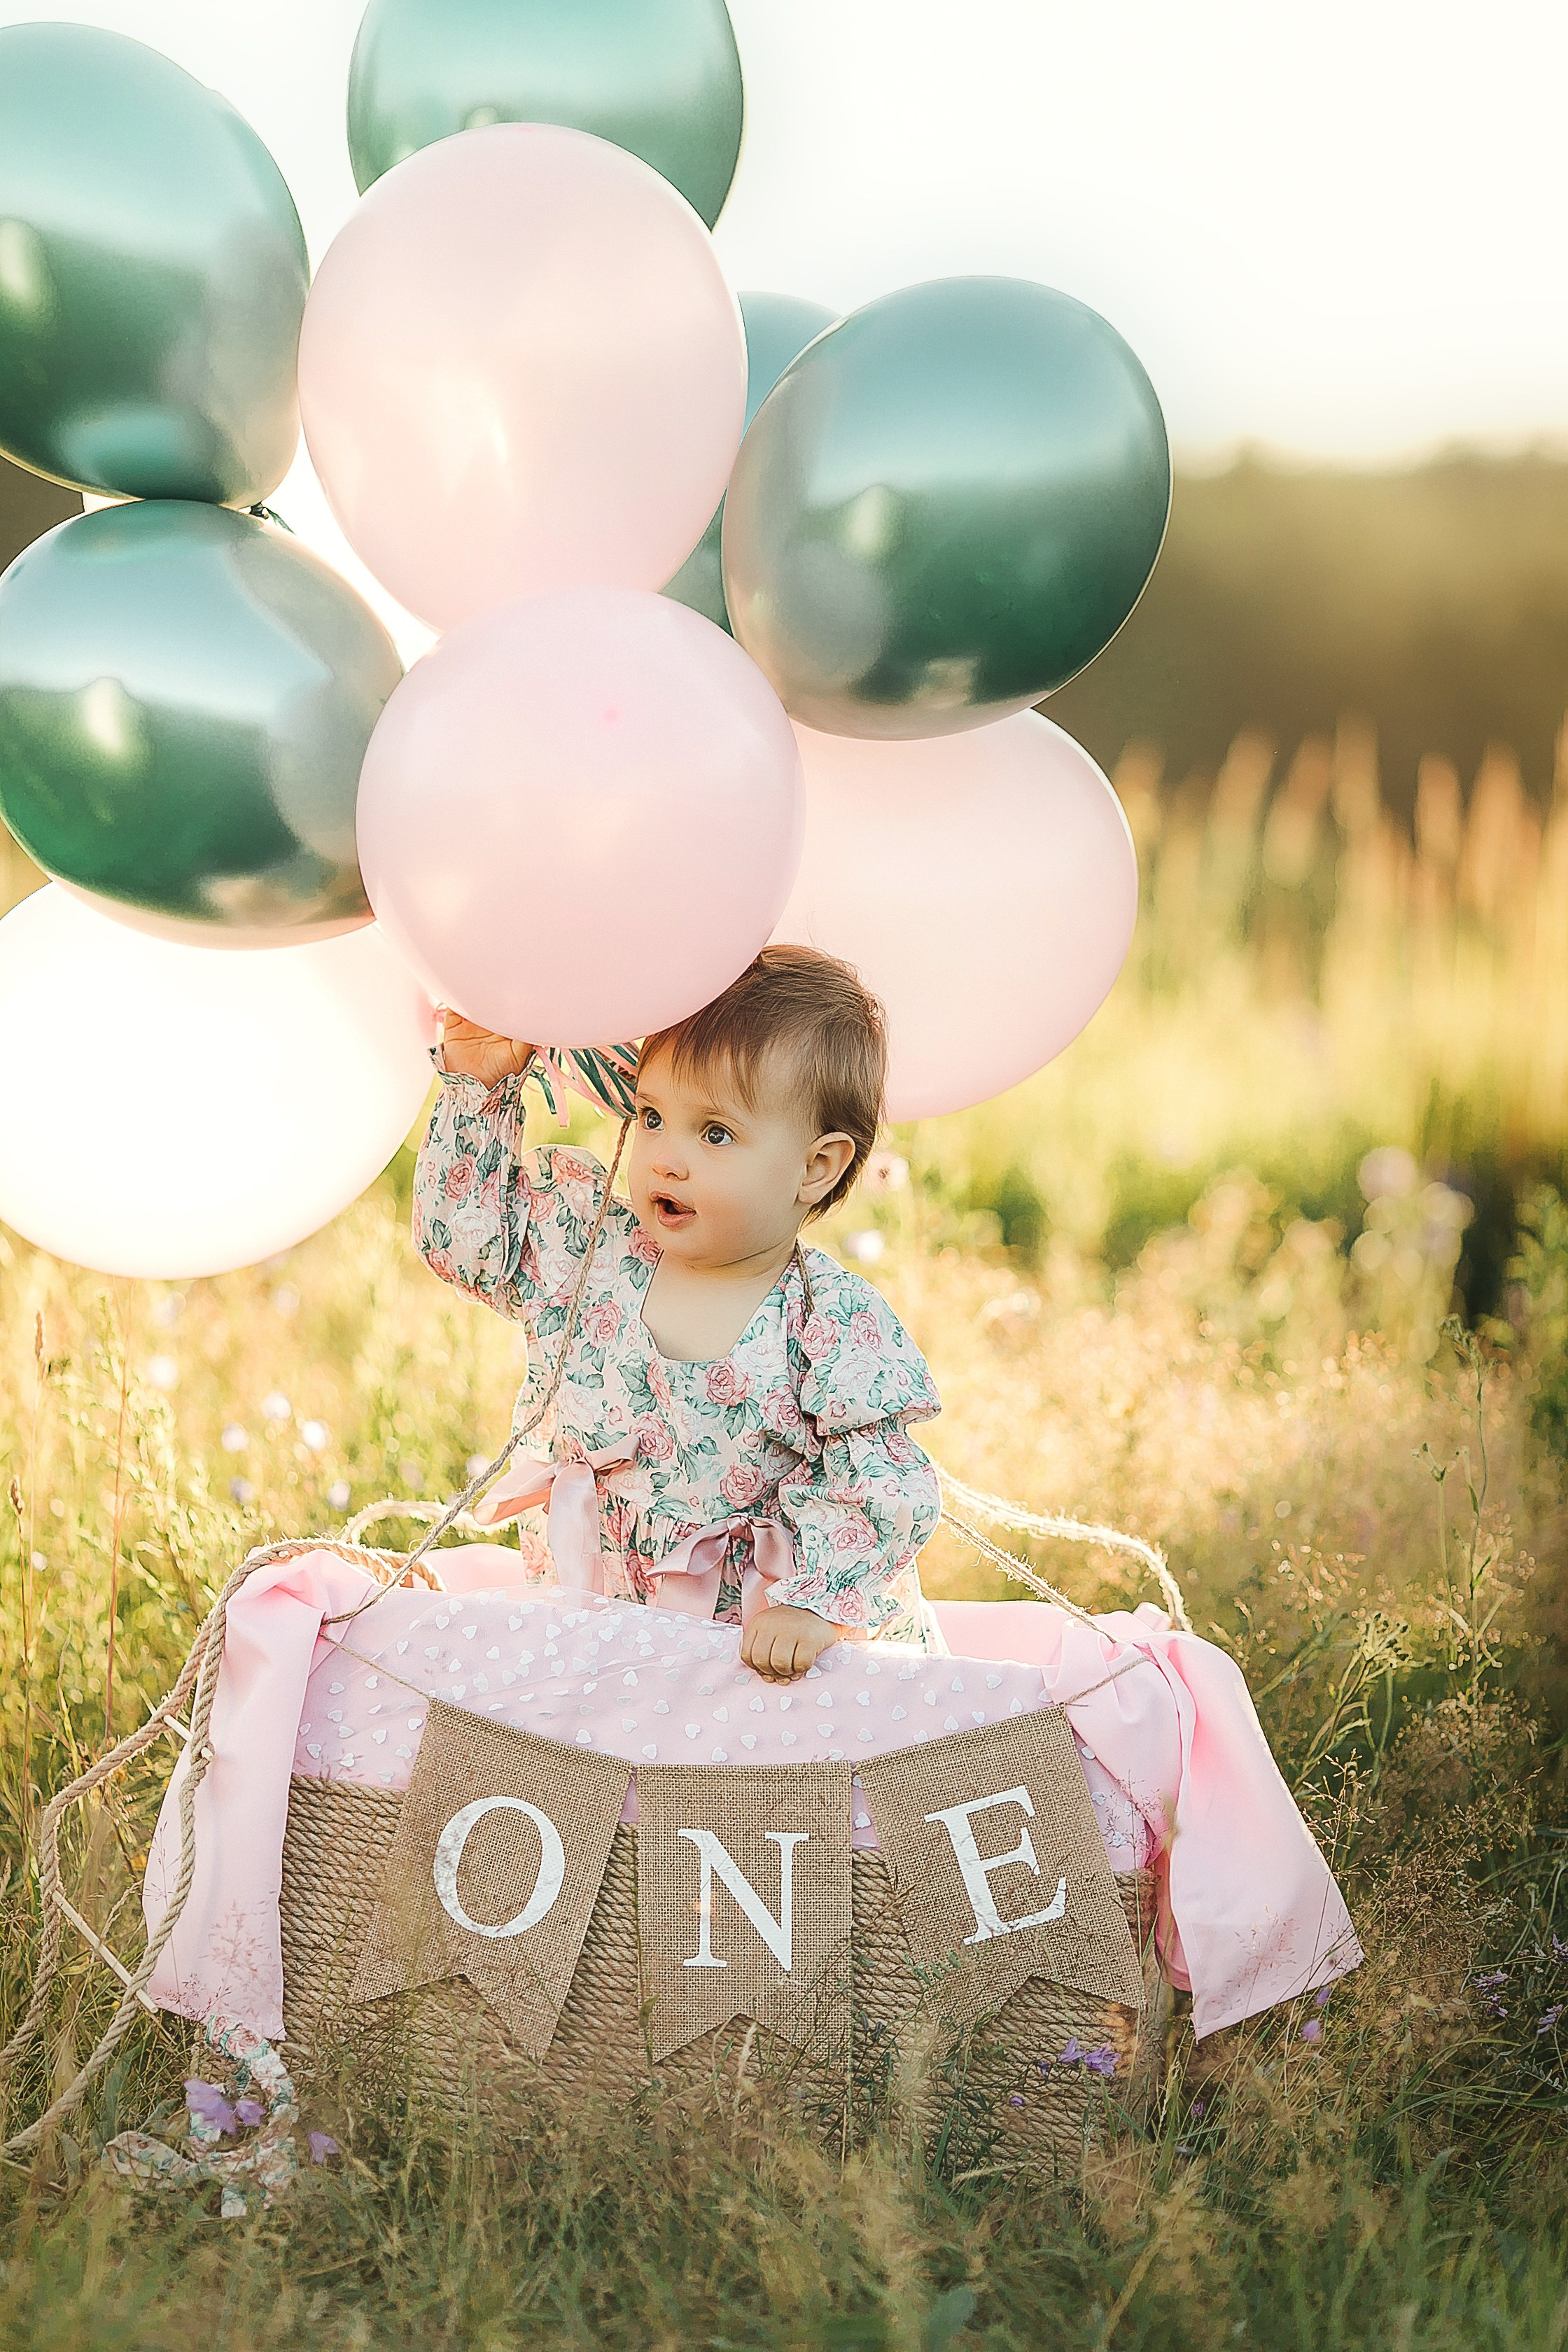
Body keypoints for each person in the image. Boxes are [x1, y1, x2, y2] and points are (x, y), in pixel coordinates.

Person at [413, 945, 944, 1683]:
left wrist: (809, 1604)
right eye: (653, 1116)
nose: (664, 1157)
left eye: (715, 1133)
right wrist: (477, 1084)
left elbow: (880, 1484)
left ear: (814, 1167)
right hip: (599, 1624)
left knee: (744, 1789)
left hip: (761, 1657)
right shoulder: (592, 1249)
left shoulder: (826, 1322)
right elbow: (465, 1244)